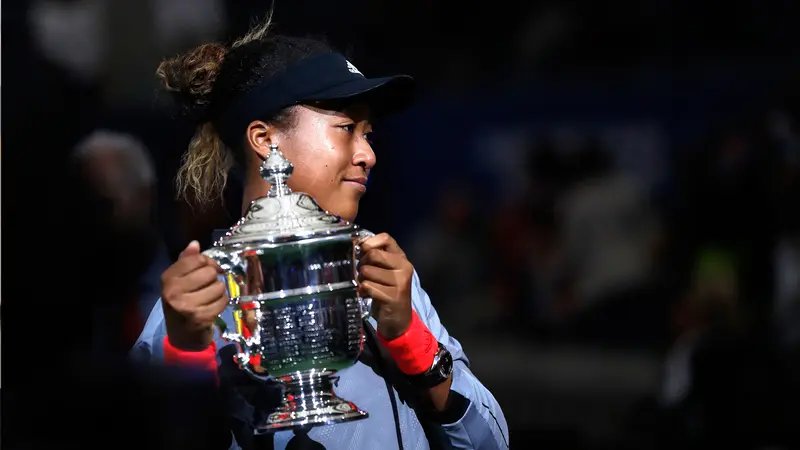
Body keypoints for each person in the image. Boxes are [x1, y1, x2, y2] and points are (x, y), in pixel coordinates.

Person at [132, 15, 508, 450]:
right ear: (265, 138)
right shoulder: (195, 303)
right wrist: (186, 355)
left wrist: (414, 345)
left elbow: (491, 443)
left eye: (369, 135)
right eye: (347, 129)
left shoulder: (382, 276)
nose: (368, 154)